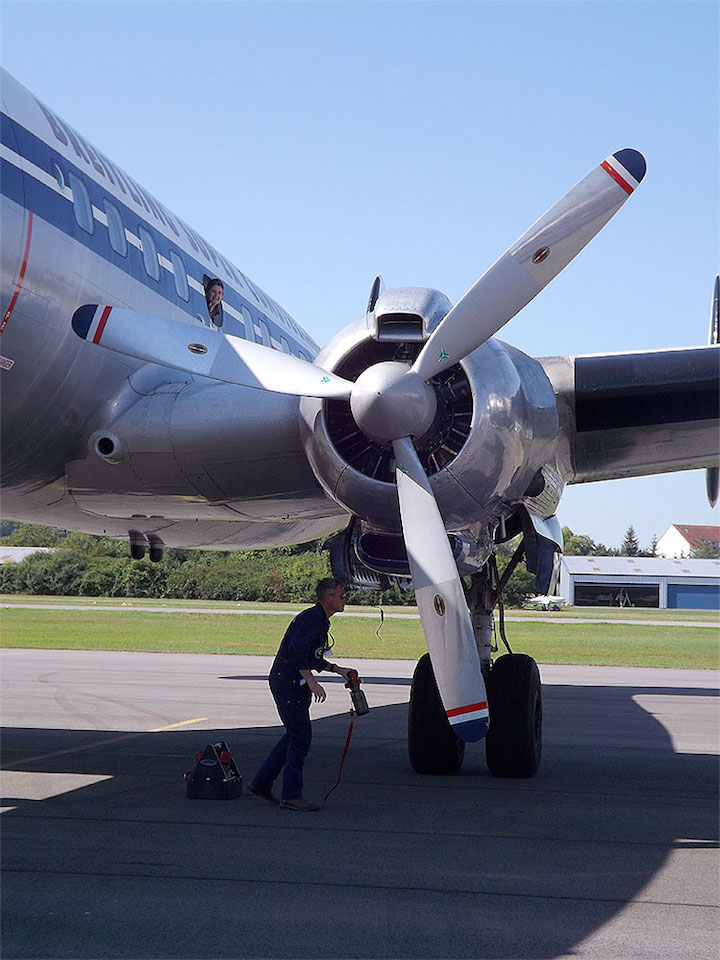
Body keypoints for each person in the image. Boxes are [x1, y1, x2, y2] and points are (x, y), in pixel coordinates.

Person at [249, 579, 355, 811]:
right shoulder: (312, 619)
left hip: (291, 681)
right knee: (301, 737)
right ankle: (291, 795)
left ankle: (262, 782)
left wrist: (337, 670)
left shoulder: (318, 619)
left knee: (294, 735)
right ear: (329, 598)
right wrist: (311, 680)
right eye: (341, 595)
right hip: (288, 682)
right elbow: (296, 652)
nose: (345, 599)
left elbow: (312, 656)